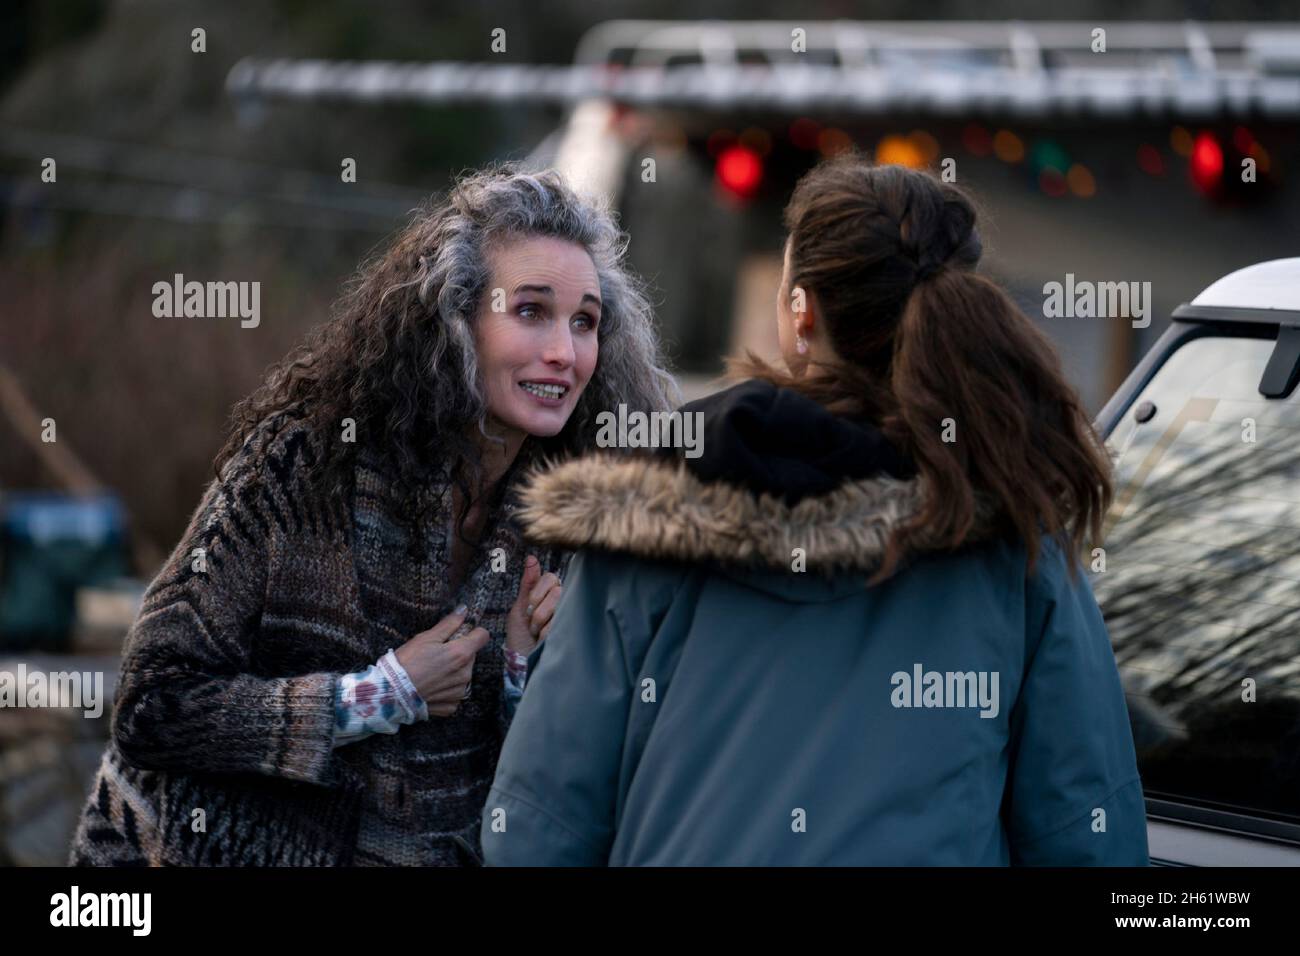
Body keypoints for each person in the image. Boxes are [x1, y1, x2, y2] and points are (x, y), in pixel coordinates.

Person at [481, 155, 1150, 866]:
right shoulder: (1016, 533)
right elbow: (1088, 836)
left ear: (801, 313)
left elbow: (536, 830)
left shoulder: (645, 506)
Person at [68, 165, 676, 866]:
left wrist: (518, 670)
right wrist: (379, 694)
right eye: (530, 311)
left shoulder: (564, 525)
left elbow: (536, 795)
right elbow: (152, 707)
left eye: (585, 323)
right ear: (453, 316)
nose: (564, 353)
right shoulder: (304, 464)